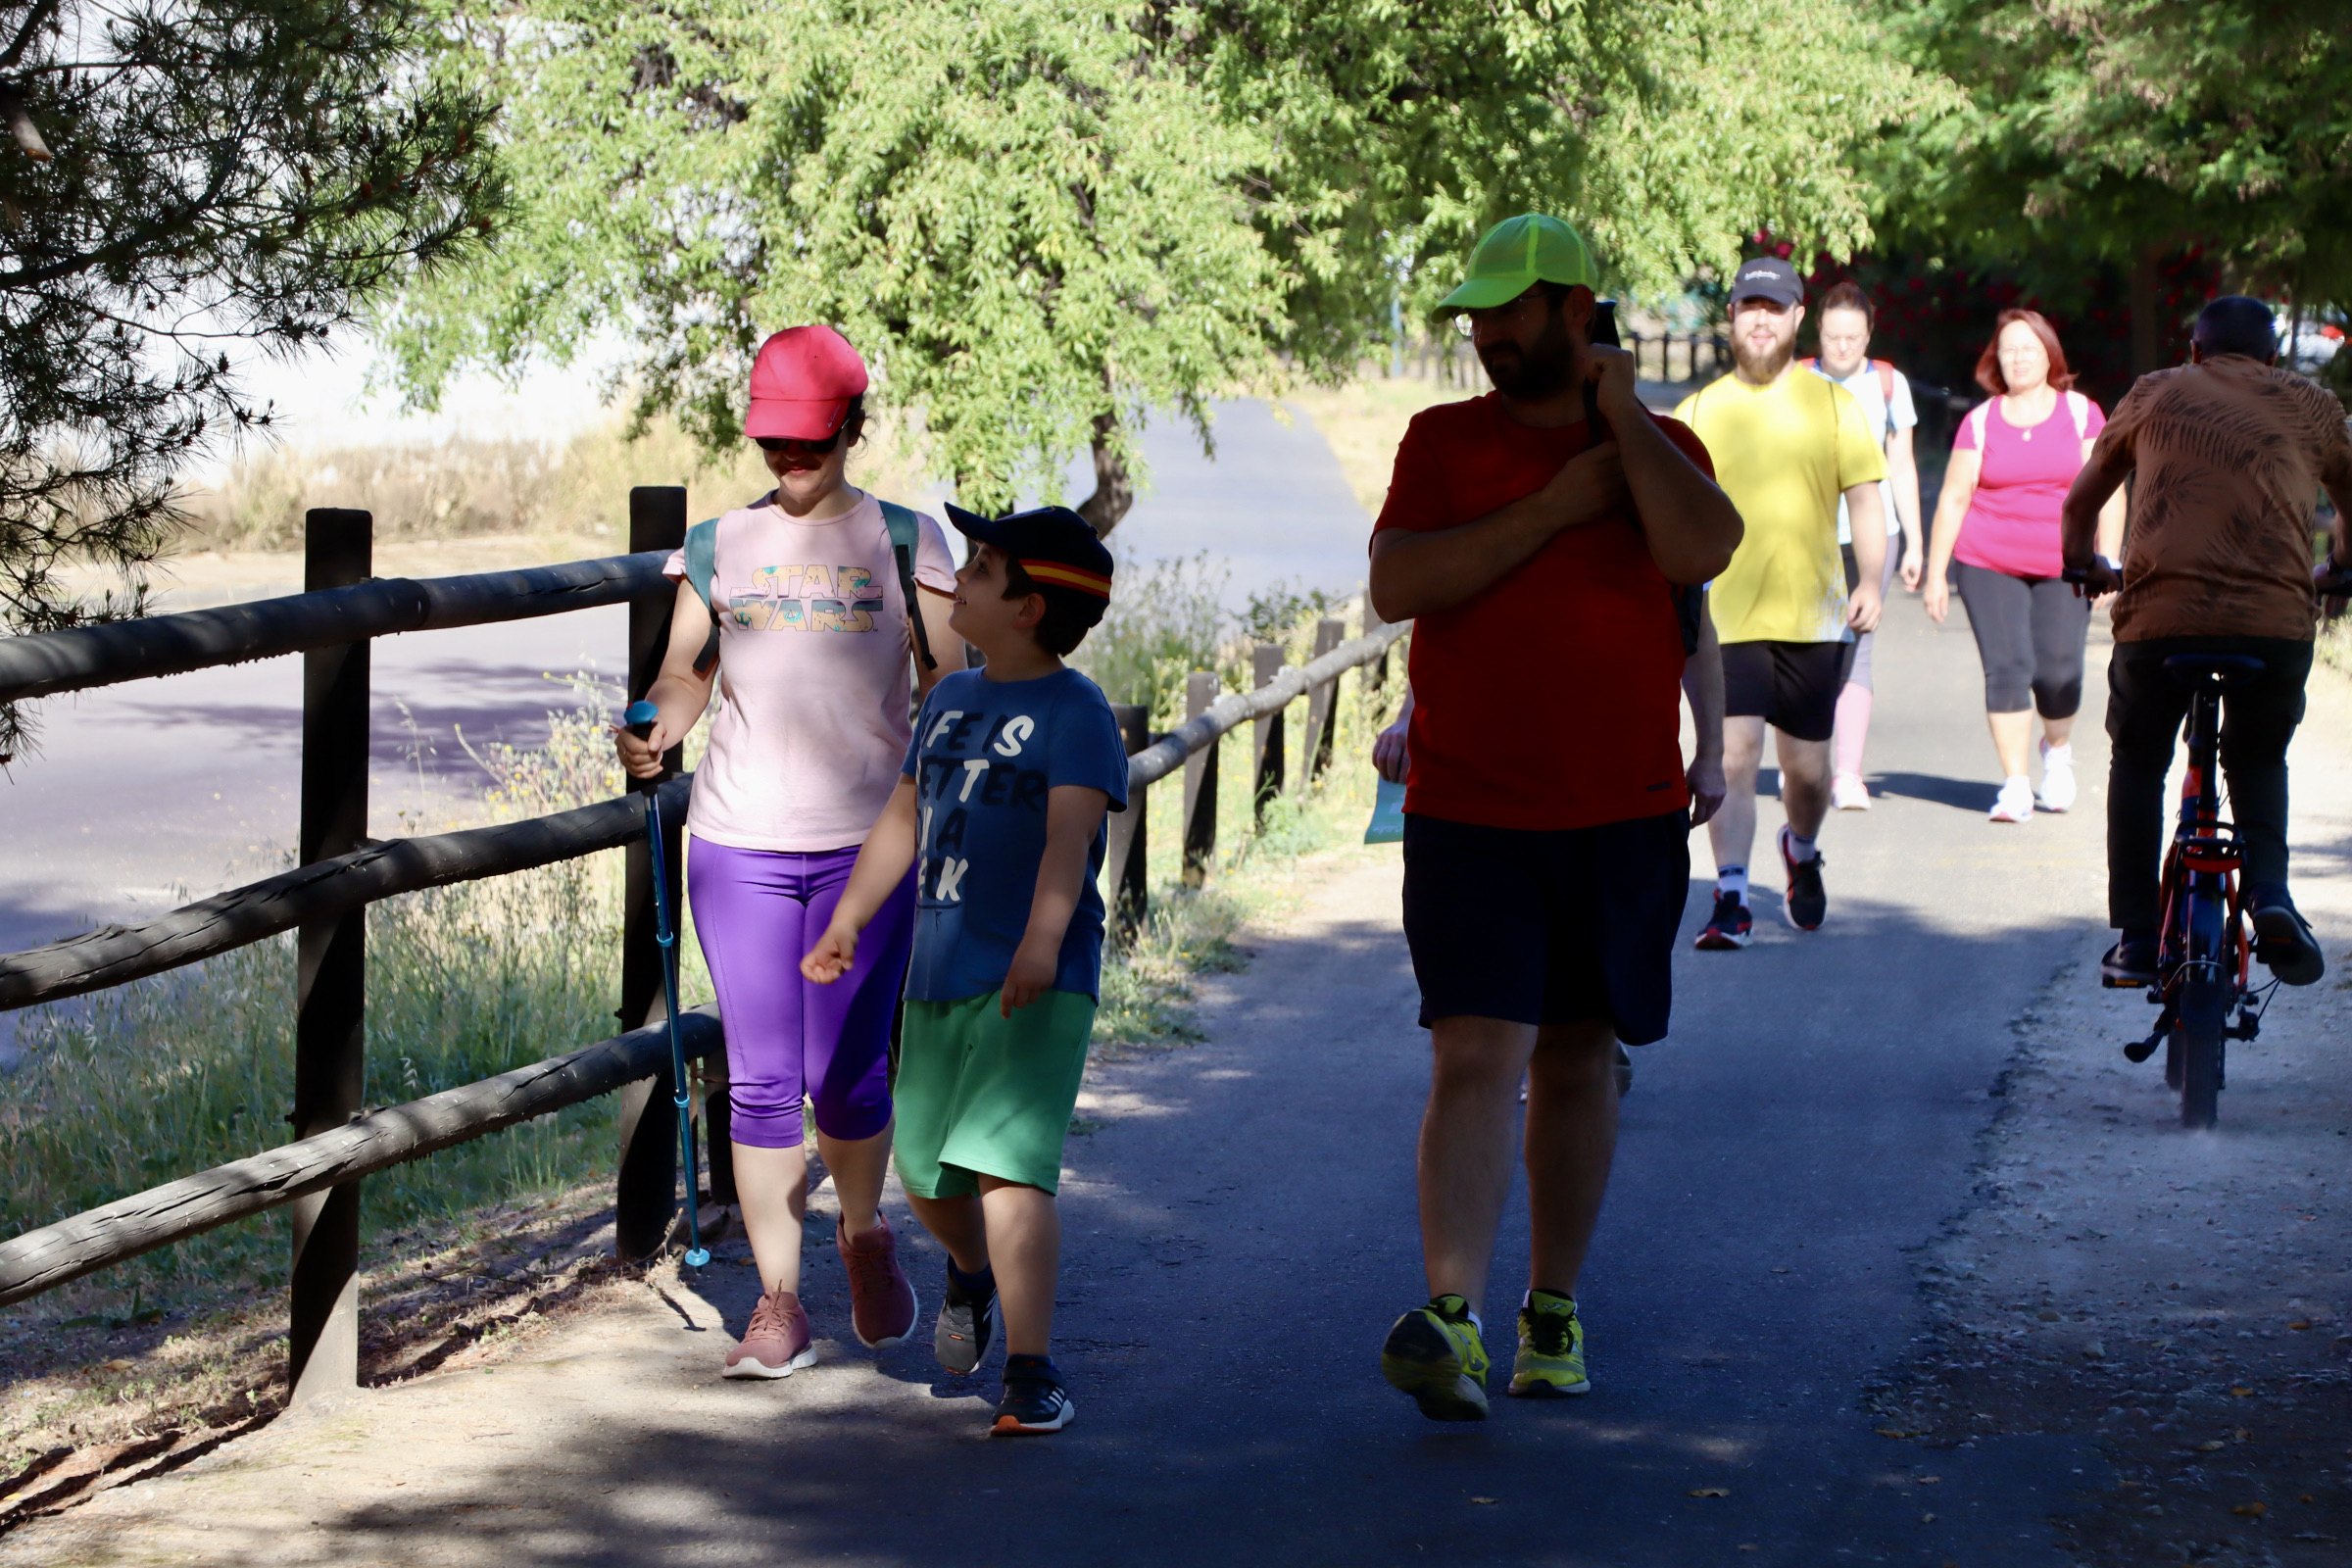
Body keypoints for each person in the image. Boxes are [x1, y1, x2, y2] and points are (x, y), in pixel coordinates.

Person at [1365, 213, 1741, 1420]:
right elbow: (1397, 583)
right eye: (1474, 315)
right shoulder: (1440, 442)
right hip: (1469, 806)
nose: (1485, 334)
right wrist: (1551, 507)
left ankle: (1553, 1312)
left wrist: (1622, 420)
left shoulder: (1662, 443)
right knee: (1473, 1050)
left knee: (1581, 1054)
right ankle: (1453, 1319)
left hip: (1619, 811)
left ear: (1578, 313)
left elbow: (1706, 550)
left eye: (1510, 312)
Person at [617, 323, 963, 1380]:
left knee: (850, 1078)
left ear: (854, 428)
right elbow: (686, 670)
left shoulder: (908, 542)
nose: (791, 460)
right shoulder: (721, 546)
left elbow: (951, 683)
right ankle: (776, 1297)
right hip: (737, 844)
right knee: (762, 1080)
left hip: (870, 849)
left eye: (811, 440)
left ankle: (861, 1231)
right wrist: (658, 721)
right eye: (775, 442)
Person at [802, 505, 1127, 1436]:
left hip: (1038, 979)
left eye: (981, 569)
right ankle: (971, 1275)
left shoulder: (1077, 710)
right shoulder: (946, 701)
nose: (961, 581)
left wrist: (1041, 937)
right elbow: (902, 820)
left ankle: (1033, 1371)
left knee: (1009, 1170)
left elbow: (1071, 840)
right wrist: (851, 918)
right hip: (937, 974)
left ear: (1029, 609)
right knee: (928, 1176)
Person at [2061, 294, 2352, 989]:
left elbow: (2081, 502)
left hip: (2160, 621)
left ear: (2193, 352)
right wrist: (2340, 570)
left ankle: (2135, 938)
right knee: (2256, 759)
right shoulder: (2312, 404)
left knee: (2136, 759)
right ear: (2275, 358)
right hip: (2273, 623)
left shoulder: (2153, 393)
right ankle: (2272, 897)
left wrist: (2085, 565)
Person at [1675, 258, 1887, 948]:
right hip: (1723, 620)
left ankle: (1800, 846)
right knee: (1733, 757)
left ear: (1799, 317)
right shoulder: (1698, 412)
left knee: (1807, 773)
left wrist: (1871, 581)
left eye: (1775, 307)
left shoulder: (1834, 405)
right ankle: (1731, 893)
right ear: (1731, 317)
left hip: (1815, 616)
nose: (1760, 318)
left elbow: (1864, 500)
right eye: (1748, 306)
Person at [1922, 309, 2123, 823]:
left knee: (2058, 672)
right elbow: (1953, 498)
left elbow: (2110, 492)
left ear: (2050, 354)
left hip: (2066, 563)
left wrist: (2109, 559)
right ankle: (2014, 785)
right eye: (2008, 349)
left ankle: (2056, 751)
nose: (2018, 358)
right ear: (1995, 360)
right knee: (2008, 668)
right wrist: (1935, 572)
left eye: (2028, 348)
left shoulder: (2081, 413)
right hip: (1987, 560)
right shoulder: (1981, 421)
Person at [1804, 280, 1925, 809]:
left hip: (1875, 536)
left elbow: (1901, 466)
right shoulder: (1796, 381)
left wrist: (1916, 544)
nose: (1843, 347)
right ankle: (1804, 763)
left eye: (1853, 337)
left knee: (1858, 649)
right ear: (1819, 333)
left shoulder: (1889, 385)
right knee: (1806, 649)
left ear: (1869, 335)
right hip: (1807, 536)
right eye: (1833, 336)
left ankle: (1847, 773)